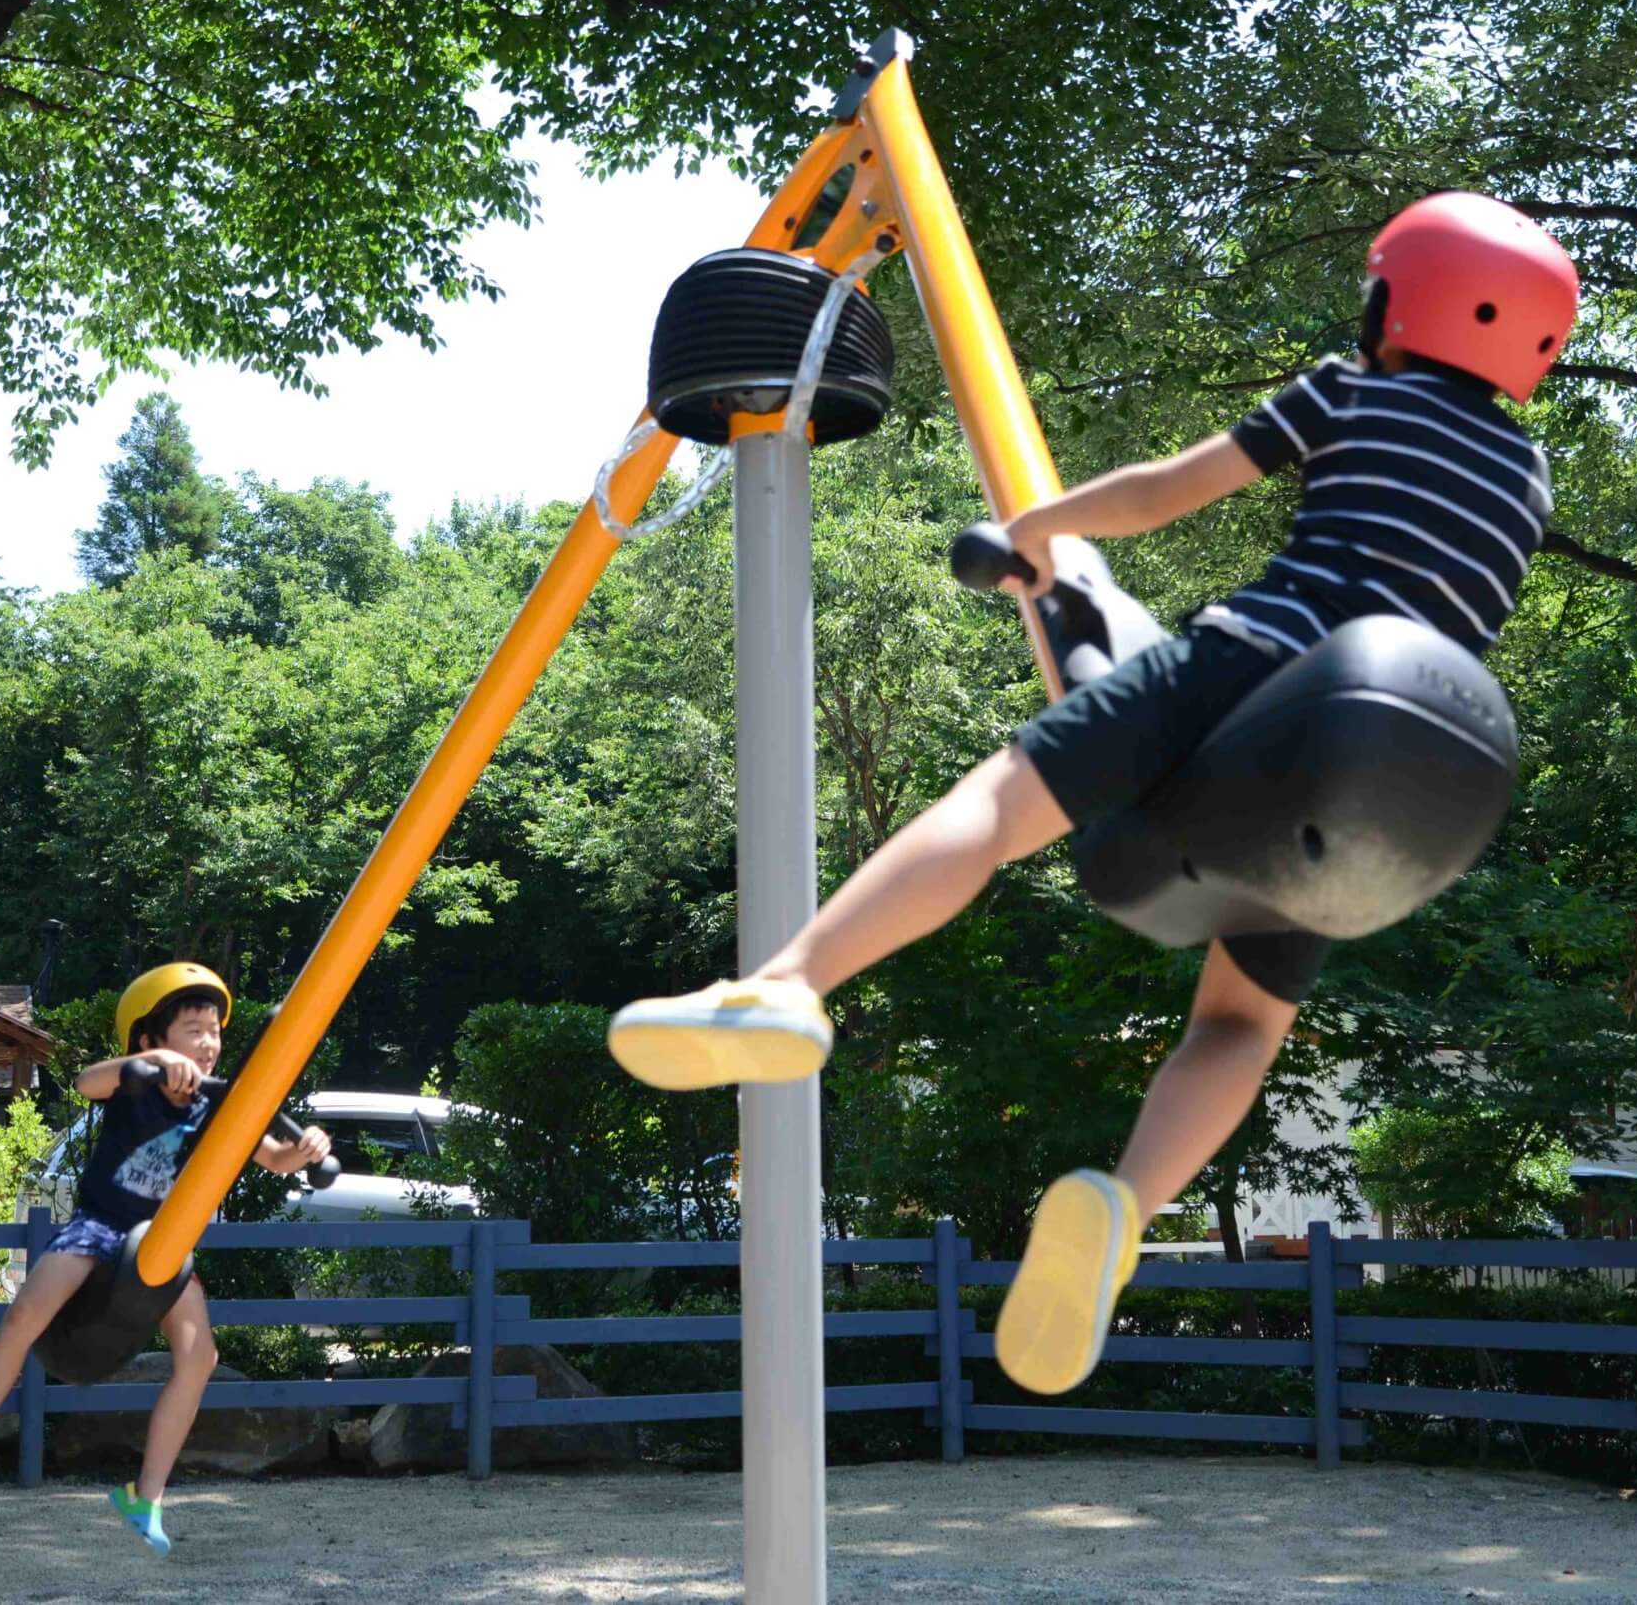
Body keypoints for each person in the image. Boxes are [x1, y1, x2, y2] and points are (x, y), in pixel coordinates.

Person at [607, 193, 1578, 1396]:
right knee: (1241, 1024)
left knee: (1003, 803)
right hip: (1389, 788)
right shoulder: (1527, 476)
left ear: (1395, 303)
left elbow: (1172, 485)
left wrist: (1039, 523)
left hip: (1261, 667)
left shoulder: (1352, 392)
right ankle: (1121, 1211)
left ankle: (789, 988)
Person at [0, 963, 332, 1554]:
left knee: (199, 1357)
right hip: (101, 1224)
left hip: (164, 1241)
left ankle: (147, 1495)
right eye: (193, 1030)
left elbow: (274, 1160)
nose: (209, 1043)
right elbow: (87, 1081)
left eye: (214, 1031)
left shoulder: (218, 1106)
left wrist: (305, 1149)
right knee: (26, 1311)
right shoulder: (133, 1079)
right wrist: (156, 1067)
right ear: (149, 1040)